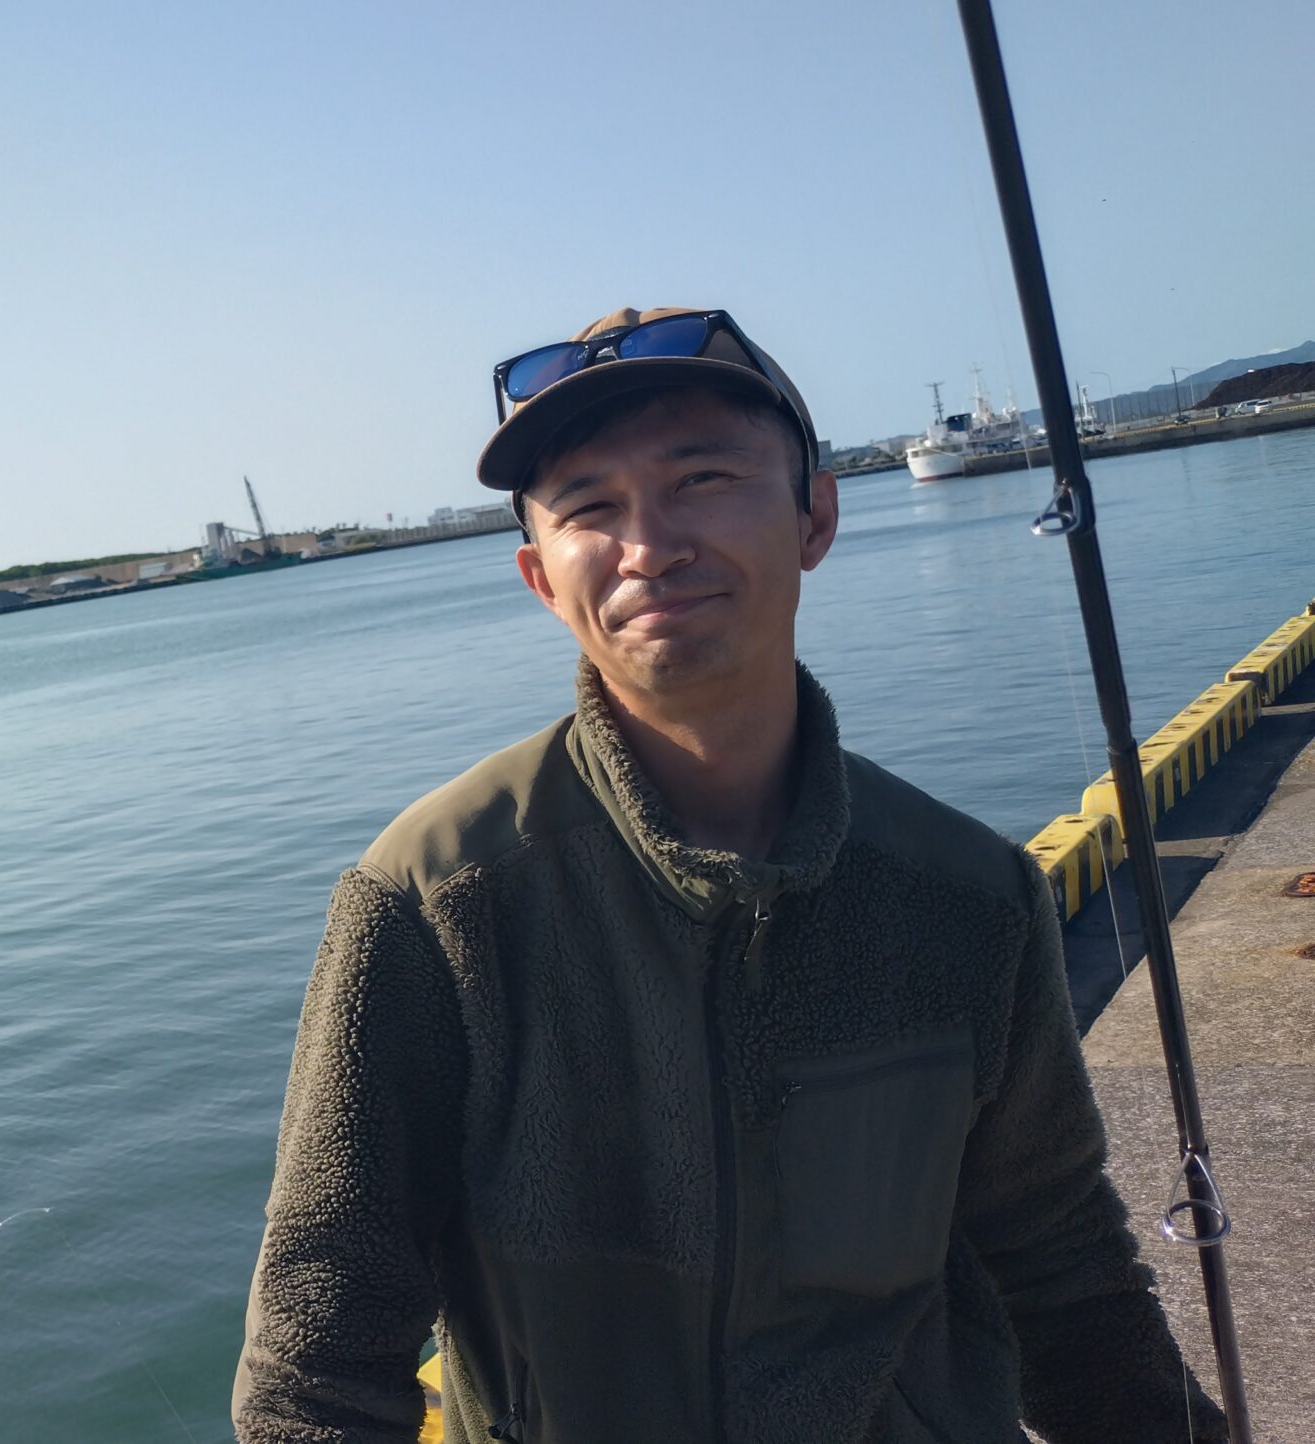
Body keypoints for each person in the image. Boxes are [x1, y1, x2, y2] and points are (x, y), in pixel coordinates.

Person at [232, 308, 1221, 1443]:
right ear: (540, 577)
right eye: (588, 507)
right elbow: (315, 1361)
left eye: (702, 478)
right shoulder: (432, 903)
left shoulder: (971, 897)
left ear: (815, 515)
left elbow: (1063, 1270)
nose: (648, 545)